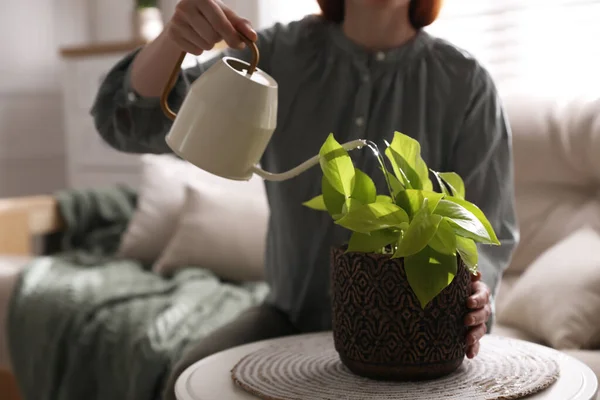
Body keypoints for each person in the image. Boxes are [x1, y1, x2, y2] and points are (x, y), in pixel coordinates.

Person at [91, 0, 519, 398]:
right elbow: (128, 122)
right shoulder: (276, 55)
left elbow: (484, 233)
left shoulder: (465, 84)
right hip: (286, 320)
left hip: (410, 334)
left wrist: (476, 301)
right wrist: (173, 39)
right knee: (189, 379)